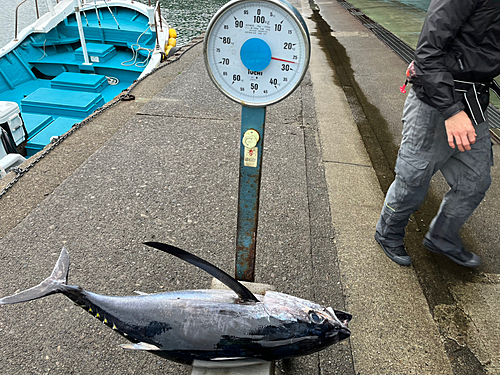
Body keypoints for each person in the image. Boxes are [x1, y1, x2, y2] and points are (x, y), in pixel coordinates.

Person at [375, 0, 500, 267]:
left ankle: (442, 236)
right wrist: (453, 112)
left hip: (474, 101)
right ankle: (388, 231)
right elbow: (427, 53)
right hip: (435, 100)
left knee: (475, 180)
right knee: (413, 178)